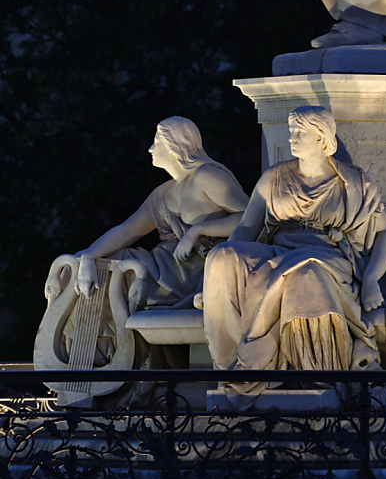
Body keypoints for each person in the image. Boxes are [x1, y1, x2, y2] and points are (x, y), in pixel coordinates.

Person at [201, 105, 386, 401]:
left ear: (321, 138)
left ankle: (316, 378)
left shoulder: (354, 183)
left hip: (327, 258)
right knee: (222, 255)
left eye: (300, 132)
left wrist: (371, 278)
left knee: (307, 274)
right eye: (291, 131)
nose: (292, 137)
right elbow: (246, 229)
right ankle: (235, 368)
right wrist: (214, 277)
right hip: (278, 252)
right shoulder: (274, 178)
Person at [39, 117, 248, 374]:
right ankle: (94, 367)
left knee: (115, 274)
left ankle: (109, 368)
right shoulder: (163, 193)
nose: (150, 148)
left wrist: (199, 230)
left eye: (157, 141)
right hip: (166, 268)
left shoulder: (208, 176)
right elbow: (126, 230)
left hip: (204, 271)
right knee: (99, 265)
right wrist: (87, 258)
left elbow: (250, 217)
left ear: (174, 145)